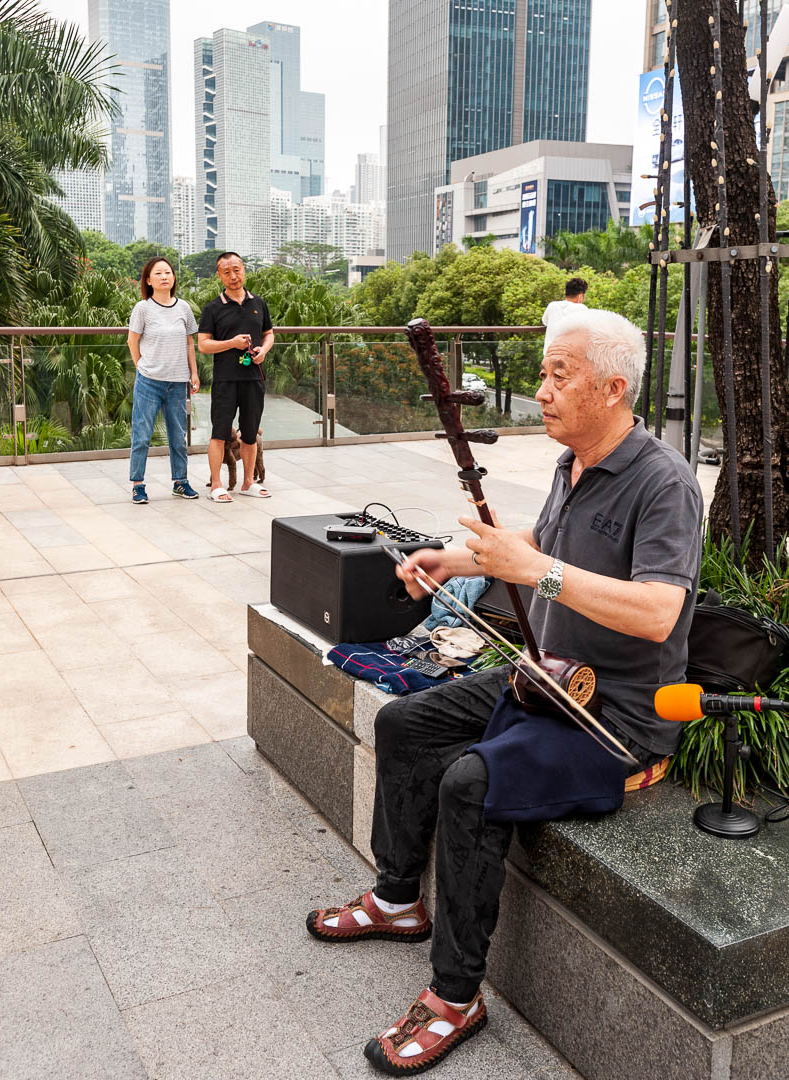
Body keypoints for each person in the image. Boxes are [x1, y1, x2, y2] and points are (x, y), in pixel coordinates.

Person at [306, 308, 703, 1075]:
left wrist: (537, 574)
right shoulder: (574, 462)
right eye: (545, 371)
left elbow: (659, 611)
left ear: (614, 388)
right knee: (408, 724)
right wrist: (454, 557)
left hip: (615, 712)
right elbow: (538, 547)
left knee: (471, 782)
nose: (543, 389)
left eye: (561, 375)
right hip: (548, 678)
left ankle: (457, 996)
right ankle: (397, 899)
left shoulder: (665, 483)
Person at [197, 252, 274, 503]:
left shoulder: (258, 303)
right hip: (225, 379)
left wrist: (264, 349)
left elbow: (269, 334)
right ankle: (216, 485)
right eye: (226, 272)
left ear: (244, 270)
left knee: (250, 433)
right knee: (219, 433)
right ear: (219, 275)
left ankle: (248, 482)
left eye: (237, 270)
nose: (233, 276)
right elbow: (204, 345)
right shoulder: (213, 308)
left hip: (254, 377)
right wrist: (231, 343)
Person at [128, 258, 199, 504]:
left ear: (174, 278)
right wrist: (142, 367)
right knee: (142, 434)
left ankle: (180, 481)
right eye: (158, 273)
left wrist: (194, 373)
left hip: (178, 382)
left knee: (178, 435)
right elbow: (132, 341)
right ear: (149, 280)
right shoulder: (143, 308)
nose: (164, 276)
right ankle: (138, 484)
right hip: (149, 381)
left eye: (168, 272)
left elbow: (190, 343)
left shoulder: (184, 308)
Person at [541, 275, 588, 353]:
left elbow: (544, 322)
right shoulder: (581, 308)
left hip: (549, 354)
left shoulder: (552, 305)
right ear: (580, 296)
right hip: (568, 355)